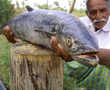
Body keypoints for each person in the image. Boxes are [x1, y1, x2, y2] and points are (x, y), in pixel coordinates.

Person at [51, 0, 110, 89]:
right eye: (93, 12)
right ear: (87, 13)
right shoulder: (79, 24)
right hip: (78, 70)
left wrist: (77, 53)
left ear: (109, 10)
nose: (98, 16)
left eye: (102, 10)